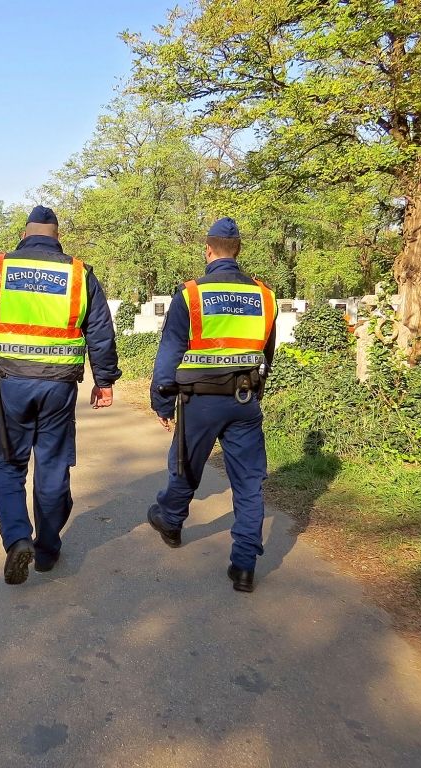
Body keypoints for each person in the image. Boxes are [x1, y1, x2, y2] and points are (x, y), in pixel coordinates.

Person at [0, 205, 122, 585]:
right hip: (59, 386)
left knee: (5, 464)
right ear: (57, 236)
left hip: (12, 385)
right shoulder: (79, 273)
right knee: (51, 466)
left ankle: (18, 538)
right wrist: (105, 380)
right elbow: (100, 330)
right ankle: (48, 550)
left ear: (24, 233)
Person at [146, 217, 276, 593]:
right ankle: (244, 567)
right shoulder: (265, 296)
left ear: (208, 251)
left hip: (200, 402)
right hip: (244, 400)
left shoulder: (190, 294)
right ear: (238, 251)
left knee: (185, 466)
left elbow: (169, 354)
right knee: (249, 483)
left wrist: (162, 402)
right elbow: (268, 352)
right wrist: (256, 392)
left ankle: (170, 521)